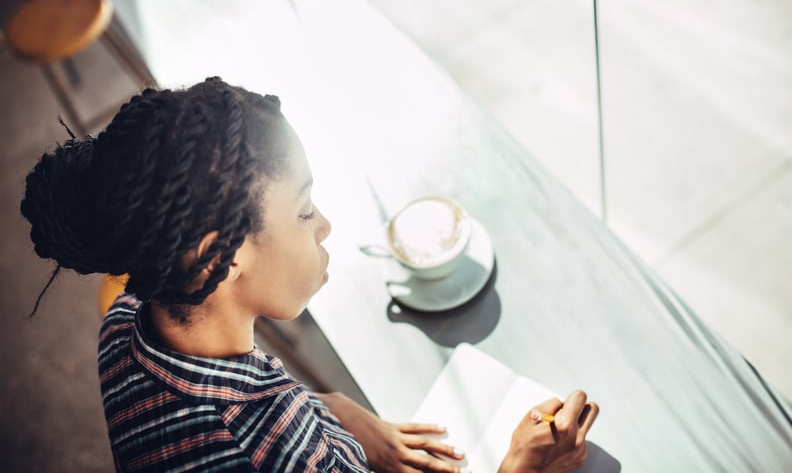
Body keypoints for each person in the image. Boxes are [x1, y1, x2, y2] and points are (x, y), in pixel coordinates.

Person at [21, 78, 598, 472]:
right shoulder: (299, 457)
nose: (325, 225)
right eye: (302, 210)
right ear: (214, 256)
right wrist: (519, 464)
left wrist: (330, 410)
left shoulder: (124, 325)